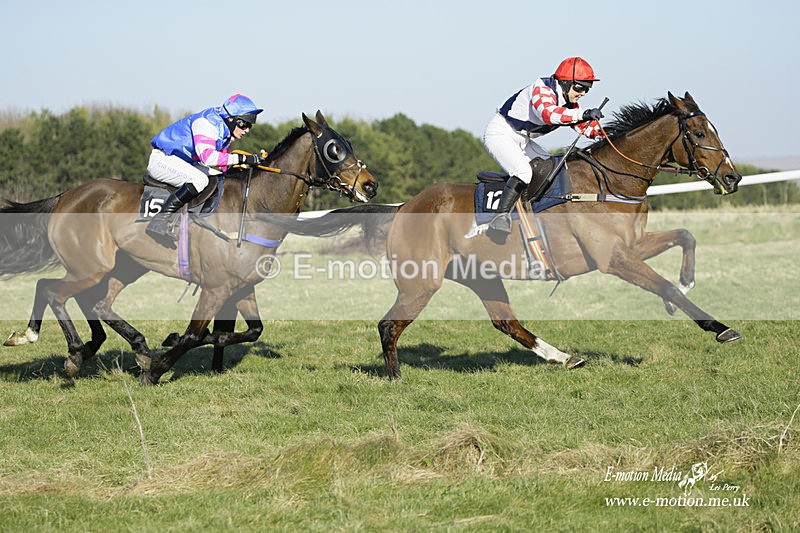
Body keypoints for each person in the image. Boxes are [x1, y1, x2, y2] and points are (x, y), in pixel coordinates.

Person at [483, 57, 605, 236]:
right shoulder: (542, 88)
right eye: (579, 87)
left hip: (523, 139)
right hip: (501, 133)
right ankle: (500, 217)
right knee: (523, 172)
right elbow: (549, 114)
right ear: (564, 82)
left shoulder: (568, 102)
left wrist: (608, 135)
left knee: (551, 168)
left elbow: (584, 127)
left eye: (587, 88)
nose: (583, 93)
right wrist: (583, 113)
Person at [145, 93, 265, 244]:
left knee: (220, 177)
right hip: (162, 160)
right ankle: (159, 221)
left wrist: (242, 168)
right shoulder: (206, 123)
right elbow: (208, 158)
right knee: (199, 179)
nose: (247, 130)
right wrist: (241, 158)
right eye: (244, 124)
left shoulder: (224, 131)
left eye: (250, 126)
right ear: (231, 118)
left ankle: (201, 222)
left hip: (181, 161)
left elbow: (222, 164)